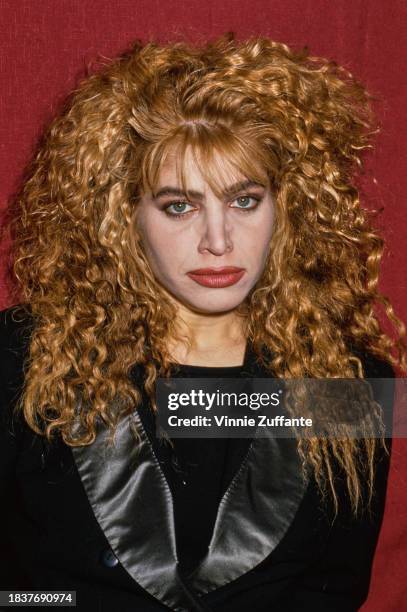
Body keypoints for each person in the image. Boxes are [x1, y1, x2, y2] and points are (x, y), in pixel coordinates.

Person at [0, 33, 405, 612]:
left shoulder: (356, 385)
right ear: (124, 215)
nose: (218, 242)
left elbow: (336, 592)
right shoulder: (22, 358)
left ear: (283, 208)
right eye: (179, 206)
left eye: (244, 200)